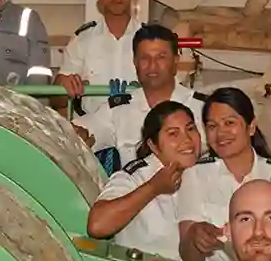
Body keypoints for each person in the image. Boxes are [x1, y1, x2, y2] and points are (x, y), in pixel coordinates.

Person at [178, 89, 271, 261]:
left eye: (229, 123)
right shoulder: (195, 174)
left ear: (251, 126)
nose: (221, 133)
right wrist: (195, 239)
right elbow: (188, 256)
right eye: (212, 126)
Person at [71, 22, 202, 170]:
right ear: (135, 62)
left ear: (175, 61)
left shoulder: (201, 108)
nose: (153, 66)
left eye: (161, 57)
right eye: (145, 58)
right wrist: (75, 134)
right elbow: (79, 131)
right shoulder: (120, 109)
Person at [86, 100, 201, 260]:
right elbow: (97, 226)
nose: (187, 139)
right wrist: (153, 188)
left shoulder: (207, 171)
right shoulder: (135, 176)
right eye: (173, 133)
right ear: (153, 145)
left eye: (190, 128)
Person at [58, 0, 145, 116]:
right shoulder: (82, 40)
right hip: (91, 134)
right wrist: (63, 86)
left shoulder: (150, 41)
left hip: (139, 132)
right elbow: (56, 100)